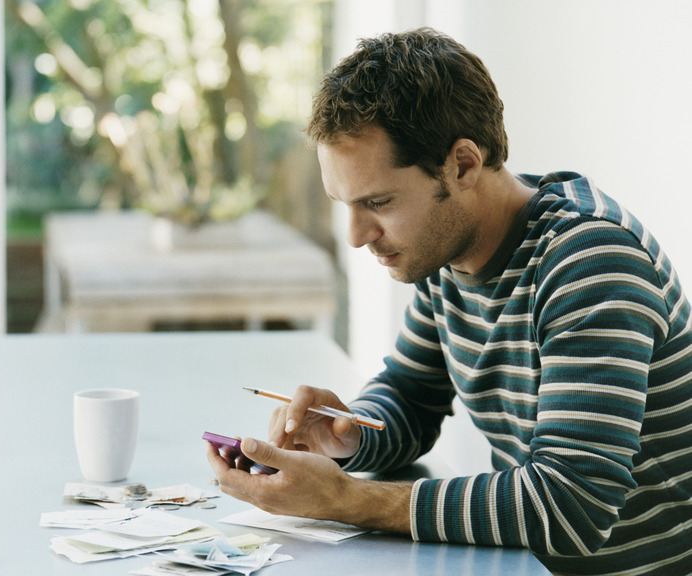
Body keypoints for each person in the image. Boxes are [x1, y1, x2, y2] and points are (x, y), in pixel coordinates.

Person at [205, 27, 692, 575]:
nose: (356, 235)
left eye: (379, 202)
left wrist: (341, 499)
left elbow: (571, 507)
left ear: (462, 165)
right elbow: (410, 395)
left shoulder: (590, 262)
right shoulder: (447, 252)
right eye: (344, 204)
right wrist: (347, 432)